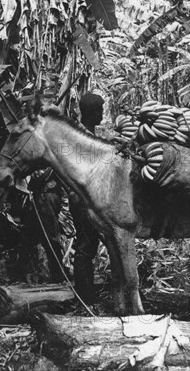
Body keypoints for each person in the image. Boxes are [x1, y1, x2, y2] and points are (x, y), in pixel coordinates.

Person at [68, 93, 105, 304]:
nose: (102, 114)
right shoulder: (80, 137)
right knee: (85, 245)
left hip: (89, 198)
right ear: (92, 113)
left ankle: (87, 293)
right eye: (99, 110)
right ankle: (85, 297)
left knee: (89, 244)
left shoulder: (88, 134)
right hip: (82, 198)